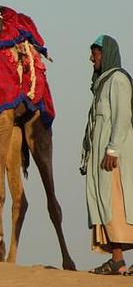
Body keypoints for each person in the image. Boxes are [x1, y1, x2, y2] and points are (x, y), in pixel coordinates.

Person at [81, 35, 133, 275]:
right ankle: (117, 260)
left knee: (120, 206)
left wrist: (112, 149)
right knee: (109, 207)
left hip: (116, 159)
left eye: (96, 53)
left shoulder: (118, 80)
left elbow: (122, 117)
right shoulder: (103, 83)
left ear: (107, 53)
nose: (92, 58)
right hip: (104, 160)